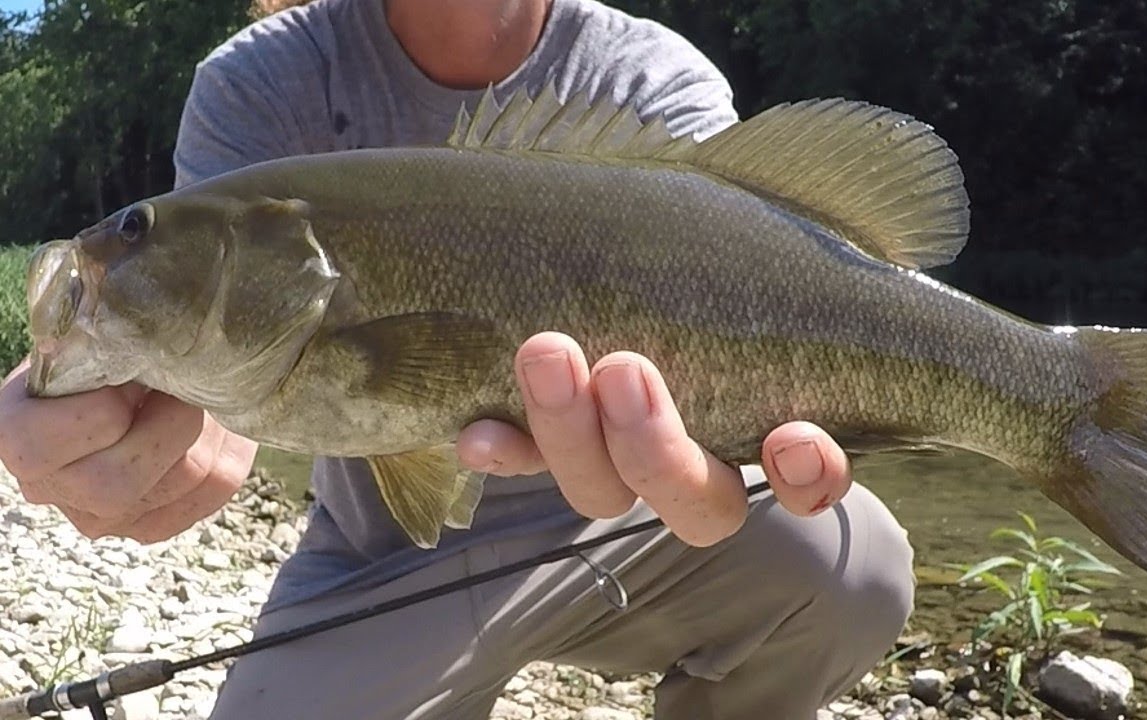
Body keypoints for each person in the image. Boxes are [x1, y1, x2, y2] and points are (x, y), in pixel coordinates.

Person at [0, 0, 917, 717]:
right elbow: (222, 402)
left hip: (635, 534)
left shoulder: (653, 80)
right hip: (379, 563)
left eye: (135, 231)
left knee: (851, 555)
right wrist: (149, 438)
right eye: (136, 229)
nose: (123, 243)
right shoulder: (262, 81)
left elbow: (762, 296)